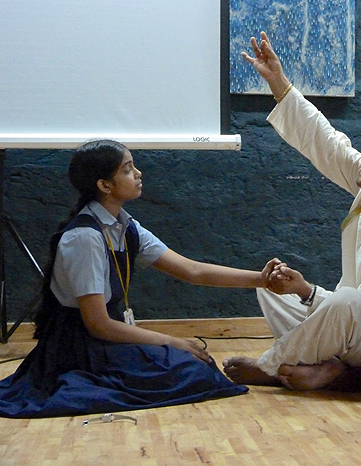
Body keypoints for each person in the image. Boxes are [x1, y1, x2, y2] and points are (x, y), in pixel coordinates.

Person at [223, 32, 361, 391]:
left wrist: (310, 292)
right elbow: (323, 140)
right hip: (348, 321)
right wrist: (278, 81)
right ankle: (323, 369)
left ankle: (273, 367)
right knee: (271, 288)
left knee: (346, 303)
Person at [0, 139, 278, 418]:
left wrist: (262, 279)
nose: (138, 174)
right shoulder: (84, 237)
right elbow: (98, 325)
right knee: (189, 367)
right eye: (128, 169)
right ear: (104, 185)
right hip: (79, 347)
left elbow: (193, 271)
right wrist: (172, 340)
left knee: (195, 367)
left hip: (104, 338)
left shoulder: (124, 225)